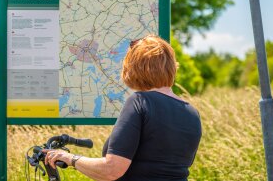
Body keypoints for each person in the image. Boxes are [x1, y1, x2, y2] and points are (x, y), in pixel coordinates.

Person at [44, 34, 202, 181]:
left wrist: (69, 158)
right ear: (171, 67)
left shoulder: (140, 102)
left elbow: (112, 169)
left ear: (134, 68)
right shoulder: (192, 113)